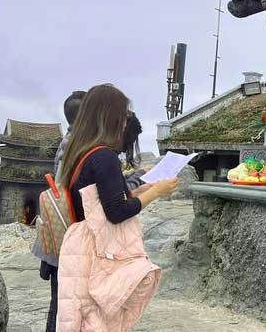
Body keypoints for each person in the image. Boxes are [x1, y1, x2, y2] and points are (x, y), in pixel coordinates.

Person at [56, 84, 177, 331]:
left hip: (79, 244)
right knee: (100, 320)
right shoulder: (104, 156)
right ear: (109, 116)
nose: (124, 123)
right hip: (97, 251)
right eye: (122, 115)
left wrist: (136, 192)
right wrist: (156, 192)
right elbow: (116, 212)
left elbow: (100, 200)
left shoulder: (80, 151)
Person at [32, 90, 86, 332]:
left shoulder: (70, 142)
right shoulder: (75, 145)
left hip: (60, 235)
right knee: (63, 307)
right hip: (65, 236)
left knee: (60, 305)